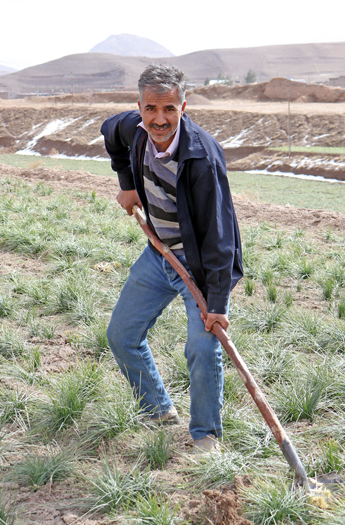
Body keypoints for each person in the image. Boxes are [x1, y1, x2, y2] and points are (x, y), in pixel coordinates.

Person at [101, 64, 243, 453]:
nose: (159, 119)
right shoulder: (133, 129)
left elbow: (220, 238)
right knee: (122, 335)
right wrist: (127, 186)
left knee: (202, 347)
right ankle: (158, 410)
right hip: (157, 253)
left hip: (196, 265)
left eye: (169, 109)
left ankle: (206, 436)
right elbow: (109, 134)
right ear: (140, 107)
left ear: (184, 105)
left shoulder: (201, 158)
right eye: (151, 109)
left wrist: (217, 305)